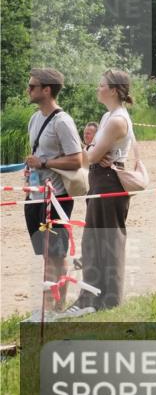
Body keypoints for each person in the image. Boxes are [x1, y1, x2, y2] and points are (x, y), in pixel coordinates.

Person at [23, 68, 84, 309]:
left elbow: (77, 159)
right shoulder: (35, 118)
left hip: (57, 197)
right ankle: (49, 306)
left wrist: (44, 163)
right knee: (44, 255)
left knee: (56, 255)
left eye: (32, 87)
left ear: (46, 90)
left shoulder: (63, 121)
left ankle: (55, 308)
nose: (28, 90)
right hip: (34, 195)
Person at [76, 69, 135, 312]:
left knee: (109, 242)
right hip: (100, 180)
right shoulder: (107, 117)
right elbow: (92, 154)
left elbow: (89, 157)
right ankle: (92, 297)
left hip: (110, 181)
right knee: (92, 241)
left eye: (101, 85)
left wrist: (85, 151)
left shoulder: (117, 120)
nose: (97, 89)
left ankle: (110, 302)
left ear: (113, 90)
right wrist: (90, 152)